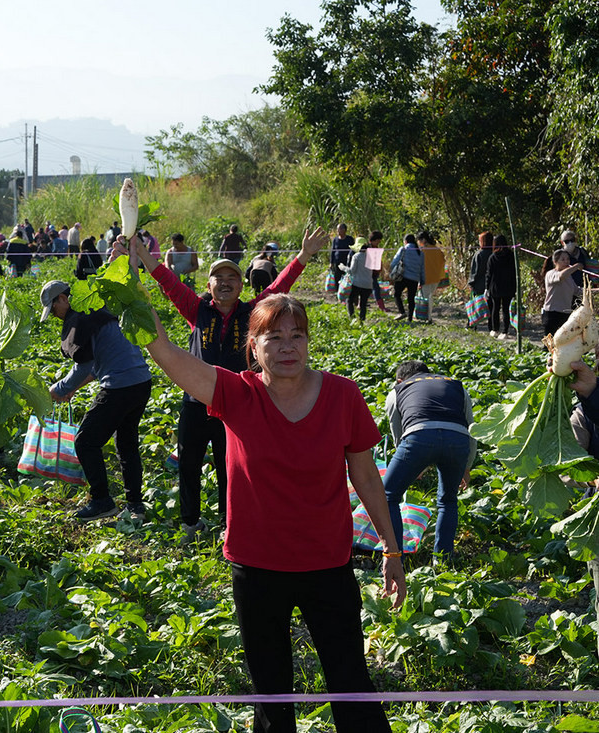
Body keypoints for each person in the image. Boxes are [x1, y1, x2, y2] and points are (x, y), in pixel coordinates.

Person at [139, 293, 405, 732]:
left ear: (308, 342)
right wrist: (132, 285)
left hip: (327, 564)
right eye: (274, 337)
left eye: (297, 336)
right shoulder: (234, 392)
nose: (287, 347)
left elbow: (367, 477)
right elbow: (165, 352)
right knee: (271, 694)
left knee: (351, 684)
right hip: (257, 567)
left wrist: (391, 549)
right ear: (254, 346)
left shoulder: (342, 394)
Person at [132, 229, 327, 537]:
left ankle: (230, 523)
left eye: (232, 278)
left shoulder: (252, 313)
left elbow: (279, 287)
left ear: (241, 285)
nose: (225, 283)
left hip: (236, 405)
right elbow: (168, 281)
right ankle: (190, 522)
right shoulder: (196, 308)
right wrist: (142, 254)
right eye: (218, 278)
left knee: (232, 467)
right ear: (208, 285)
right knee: (188, 464)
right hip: (196, 401)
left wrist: (303, 256)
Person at [40, 280, 153, 521]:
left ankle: (102, 500)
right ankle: (135, 505)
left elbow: (85, 365)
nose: (55, 316)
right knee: (127, 444)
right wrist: (72, 389)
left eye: (54, 308)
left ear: (63, 299)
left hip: (119, 386)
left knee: (85, 442)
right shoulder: (98, 309)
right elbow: (97, 363)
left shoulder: (79, 318)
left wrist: (60, 388)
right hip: (141, 381)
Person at [381, 361, 476, 560]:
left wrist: (414, 465)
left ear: (399, 380)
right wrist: (467, 467)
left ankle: (396, 558)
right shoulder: (455, 385)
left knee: (387, 496)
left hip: (419, 437)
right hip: (457, 440)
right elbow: (471, 428)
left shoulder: (397, 391)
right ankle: (442, 560)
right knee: (448, 500)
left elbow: (399, 435)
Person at [543, 249, 584, 338]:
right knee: (550, 342)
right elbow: (561, 276)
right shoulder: (551, 274)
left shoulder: (568, 277)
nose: (566, 262)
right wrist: (576, 266)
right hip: (552, 313)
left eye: (568, 259)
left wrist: (595, 290)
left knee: (563, 341)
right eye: (563, 259)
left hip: (565, 313)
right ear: (555, 262)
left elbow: (578, 291)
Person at [485, 234, 517, 339]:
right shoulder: (511, 256)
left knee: (495, 308)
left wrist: (486, 287)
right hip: (508, 286)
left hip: (495, 287)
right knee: (506, 309)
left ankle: (495, 330)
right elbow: (514, 272)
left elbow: (489, 274)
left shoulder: (493, 257)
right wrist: (515, 287)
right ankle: (505, 331)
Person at [391, 234, 425, 322]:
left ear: (405, 241)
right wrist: (422, 280)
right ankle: (410, 318)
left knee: (397, 294)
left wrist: (392, 271)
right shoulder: (420, 253)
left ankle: (402, 312)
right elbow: (422, 268)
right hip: (414, 279)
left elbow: (394, 262)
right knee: (411, 298)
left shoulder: (403, 249)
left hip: (403, 276)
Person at [341, 237, 374, 323]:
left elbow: (352, 271)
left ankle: (352, 319)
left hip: (357, 284)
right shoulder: (371, 257)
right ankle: (361, 321)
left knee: (349, 300)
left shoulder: (356, 256)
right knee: (363, 304)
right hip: (368, 284)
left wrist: (343, 267)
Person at [418, 231, 445, 324]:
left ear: (423, 240)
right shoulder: (437, 250)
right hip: (436, 277)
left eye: (419, 240)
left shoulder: (422, 251)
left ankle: (426, 317)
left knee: (425, 298)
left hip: (426, 277)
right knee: (430, 297)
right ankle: (427, 317)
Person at [330, 223, 355, 290]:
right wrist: (331, 262)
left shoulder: (349, 239)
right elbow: (333, 251)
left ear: (344, 230)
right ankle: (338, 291)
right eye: (337, 229)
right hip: (337, 261)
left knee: (347, 277)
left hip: (347, 262)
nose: (338, 230)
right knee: (337, 277)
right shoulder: (335, 239)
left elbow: (353, 250)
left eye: (339, 229)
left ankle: (346, 290)